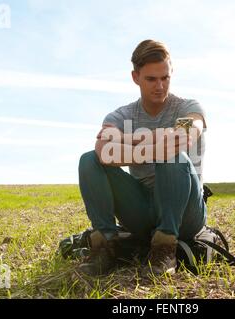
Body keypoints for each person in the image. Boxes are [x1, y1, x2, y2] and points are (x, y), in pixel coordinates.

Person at [77, 39, 207, 276]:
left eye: (165, 77)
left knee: (173, 153)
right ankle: (105, 245)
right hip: (142, 210)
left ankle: (166, 247)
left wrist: (126, 140)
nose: (160, 86)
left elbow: (183, 135)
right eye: (151, 79)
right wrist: (153, 145)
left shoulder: (187, 106)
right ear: (135, 77)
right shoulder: (122, 114)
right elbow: (101, 149)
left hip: (186, 210)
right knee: (88, 160)